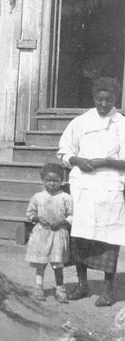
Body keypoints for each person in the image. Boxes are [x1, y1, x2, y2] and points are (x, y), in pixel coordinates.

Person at [58, 76, 125, 307]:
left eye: (109, 100)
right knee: (81, 237)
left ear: (115, 99)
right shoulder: (81, 122)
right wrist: (78, 159)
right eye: (99, 100)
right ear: (94, 98)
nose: (104, 104)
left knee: (108, 239)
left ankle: (107, 290)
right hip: (83, 187)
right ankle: (82, 284)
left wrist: (103, 161)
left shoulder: (122, 125)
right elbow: (64, 151)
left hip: (109, 189)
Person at [25, 163, 73, 303]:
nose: (52, 184)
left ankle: (60, 289)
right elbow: (30, 213)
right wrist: (37, 218)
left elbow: (72, 216)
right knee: (41, 263)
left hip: (58, 234)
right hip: (42, 234)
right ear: (43, 180)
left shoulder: (65, 197)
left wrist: (61, 222)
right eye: (48, 180)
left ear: (61, 181)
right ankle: (39, 287)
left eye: (56, 181)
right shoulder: (38, 197)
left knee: (57, 264)